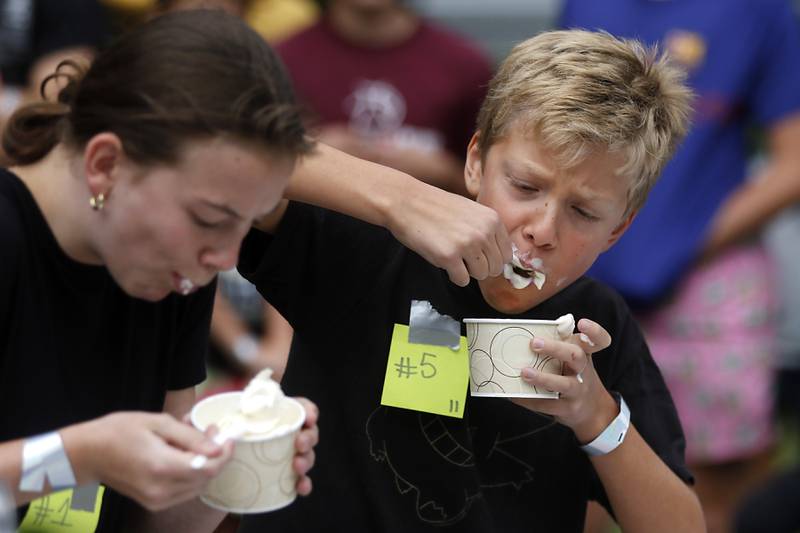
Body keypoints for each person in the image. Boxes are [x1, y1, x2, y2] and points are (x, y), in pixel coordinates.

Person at [236, 29, 705, 532]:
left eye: (584, 212)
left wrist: (596, 417)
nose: (543, 229)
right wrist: (402, 199)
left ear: (618, 230)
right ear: (475, 162)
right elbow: (224, 144)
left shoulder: (599, 329)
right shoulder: (370, 253)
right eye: (525, 186)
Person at [0, 10, 322, 532]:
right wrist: (81, 456)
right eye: (209, 219)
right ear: (105, 164)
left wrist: (230, 465)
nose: (225, 256)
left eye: (245, 226)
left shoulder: (179, 273)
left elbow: (163, 522)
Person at [559, 2, 800, 531]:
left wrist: (683, 244)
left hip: (707, 284)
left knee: (713, 483)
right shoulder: (585, 4)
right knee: (574, 478)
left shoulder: (759, 12)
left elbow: (794, 161)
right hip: (591, 269)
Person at [276, 0, 493, 195]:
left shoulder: (466, 65)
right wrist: (310, 158)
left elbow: (495, 187)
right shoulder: (281, 62)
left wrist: (445, 174)